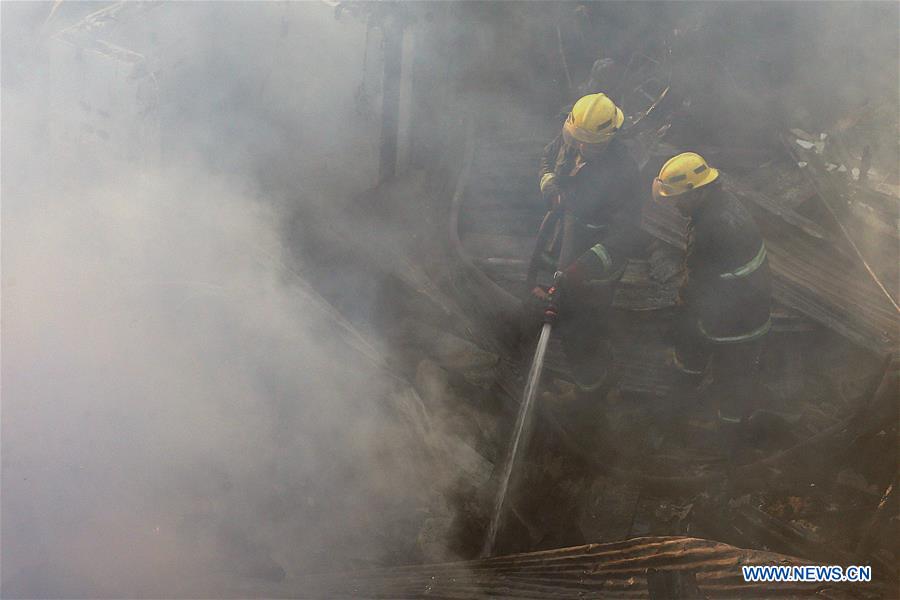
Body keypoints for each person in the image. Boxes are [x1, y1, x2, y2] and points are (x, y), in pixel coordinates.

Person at [652, 152, 772, 447]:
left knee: (730, 378)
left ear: (698, 192)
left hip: (736, 320)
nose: (676, 204)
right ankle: (692, 403)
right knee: (725, 369)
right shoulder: (724, 203)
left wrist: (679, 316)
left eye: (679, 198)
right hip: (748, 306)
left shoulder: (710, 229)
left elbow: (695, 286)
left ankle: (725, 440)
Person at [532, 92, 646, 395]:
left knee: (582, 327)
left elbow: (624, 236)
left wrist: (583, 267)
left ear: (609, 138)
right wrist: (550, 186)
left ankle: (593, 383)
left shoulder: (624, 174)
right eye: (577, 139)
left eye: (589, 144)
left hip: (597, 259)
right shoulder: (572, 136)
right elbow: (547, 158)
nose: (580, 147)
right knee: (553, 301)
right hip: (563, 237)